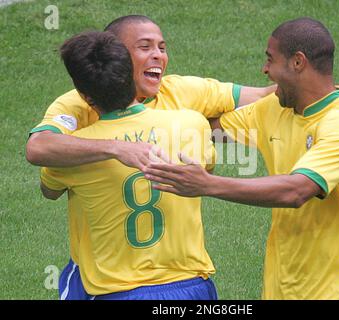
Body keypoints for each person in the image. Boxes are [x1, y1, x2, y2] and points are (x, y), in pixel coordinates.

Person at [144, 17, 339, 299]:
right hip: (282, 289)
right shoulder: (275, 108)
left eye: (270, 60)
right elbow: (211, 129)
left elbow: (296, 190)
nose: (265, 69)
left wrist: (206, 184)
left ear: (297, 62)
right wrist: (132, 118)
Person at [41, 30, 218, 300]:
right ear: (130, 75)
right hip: (192, 288)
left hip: (117, 292)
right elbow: (205, 171)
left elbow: (49, 191)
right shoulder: (191, 124)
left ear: (84, 96)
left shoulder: (73, 152)